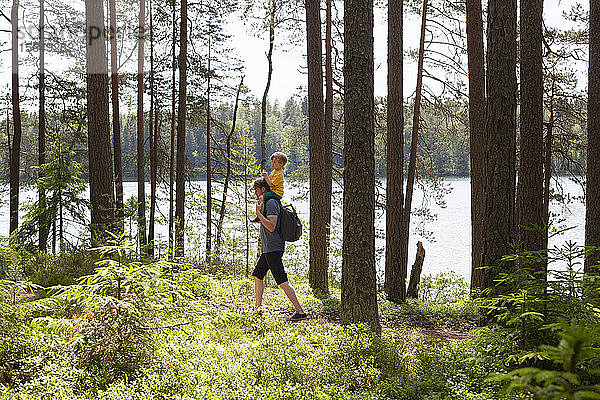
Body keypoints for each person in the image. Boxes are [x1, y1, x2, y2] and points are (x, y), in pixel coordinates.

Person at [251, 177, 307, 322]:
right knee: (258, 275)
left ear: (263, 189)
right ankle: (258, 308)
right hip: (268, 248)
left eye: (256, 190)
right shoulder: (267, 203)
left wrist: (258, 214)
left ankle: (300, 311)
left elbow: (271, 226)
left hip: (273, 248)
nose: (256, 194)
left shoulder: (271, 203)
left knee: (282, 280)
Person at [251, 152, 287, 223]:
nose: (272, 164)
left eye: (275, 162)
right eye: (272, 162)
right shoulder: (275, 172)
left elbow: (271, 184)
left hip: (276, 193)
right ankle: (261, 214)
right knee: (263, 199)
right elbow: (268, 180)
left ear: (281, 164)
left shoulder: (279, 174)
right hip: (273, 191)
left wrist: (266, 176)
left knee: (261, 198)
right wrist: (264, 177)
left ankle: (260, 215)